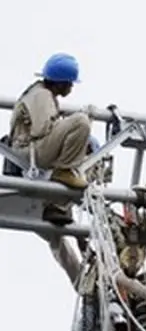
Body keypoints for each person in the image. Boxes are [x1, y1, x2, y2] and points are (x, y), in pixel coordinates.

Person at [8, 53, 92, 225]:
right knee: (81, 121)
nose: (71, 88)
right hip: (30, 153)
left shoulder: (40, 93)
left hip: (31, 150)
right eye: (70, 83)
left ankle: (56, 204)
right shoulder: (42, 95)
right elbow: (41, 130)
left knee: (84, 140)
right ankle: (63, 171)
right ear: (61, 82)